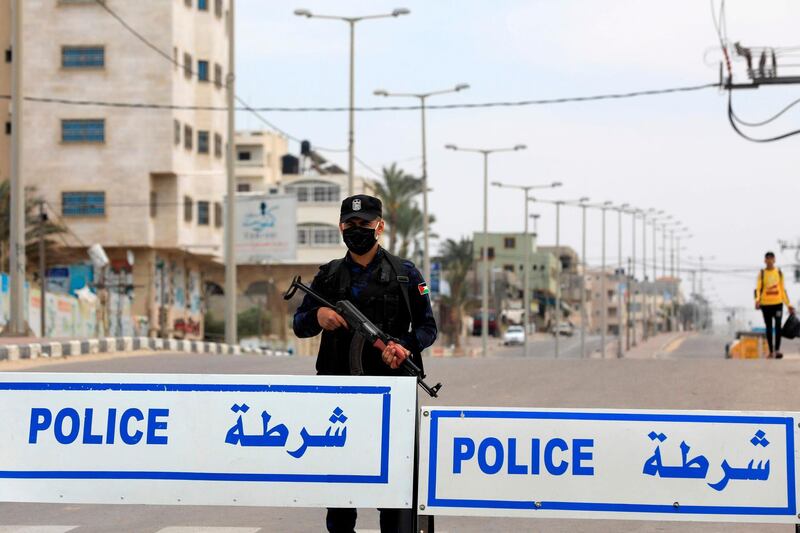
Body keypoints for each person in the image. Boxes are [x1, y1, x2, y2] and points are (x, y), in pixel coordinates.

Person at [292, 194, 437, 533]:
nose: (357, 230)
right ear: (341, 227)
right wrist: (319, 314)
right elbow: (299, 325)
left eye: (364, 224)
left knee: (396, 486)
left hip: (391, 396)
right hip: (338, 395)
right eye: (350, 224)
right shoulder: (328, 276)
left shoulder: (405, 274)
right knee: (341, 483)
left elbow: (428, 328)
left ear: (380, 227)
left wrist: (402, 347)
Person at [755, 251, 795, 358]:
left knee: (778, 326)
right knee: (769, 327)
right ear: (765, 260)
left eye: (771, 258)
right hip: (766, 304)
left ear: (774, 260)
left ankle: (777, 350)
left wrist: (788, 304)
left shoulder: (779, 273)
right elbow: (758, 289)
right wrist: (757, 300)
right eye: (767, 258)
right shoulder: (762, 274)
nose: (769, 260)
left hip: (777, 303)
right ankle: (771, 351)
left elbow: (782, 290)